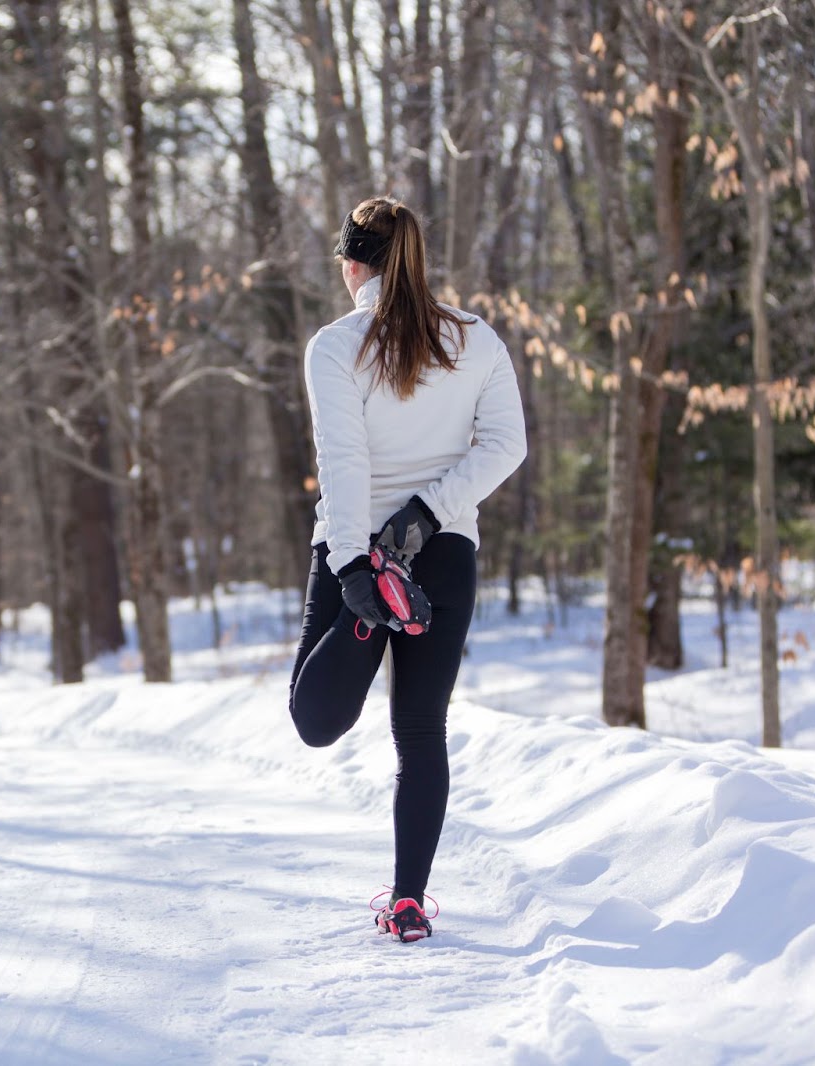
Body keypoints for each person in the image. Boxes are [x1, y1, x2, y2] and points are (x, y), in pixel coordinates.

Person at [289, 195, 527, 943]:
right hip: (444, 554)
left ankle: (370, 612)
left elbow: (346, 461)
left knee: (313, 719)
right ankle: (409, 902)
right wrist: (427, 515)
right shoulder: (476, 339)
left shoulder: (335, 346)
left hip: (357, 552)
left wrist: (361, 564)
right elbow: (504, 447)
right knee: (421, 731)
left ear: (351, 264)